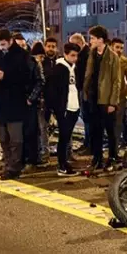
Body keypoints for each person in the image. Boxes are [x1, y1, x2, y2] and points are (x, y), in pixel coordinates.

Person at [0, 30, 31, 180]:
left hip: (15, 103)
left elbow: (26, 78)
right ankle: (8, 164)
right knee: (3, 137)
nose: (1, 47)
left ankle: (14, 168)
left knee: (15, 139)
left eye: (3, 44)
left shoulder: (22, 56)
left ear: (10, 41)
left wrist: (5, 77)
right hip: (0, 102)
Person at [83, 25, 122, 170]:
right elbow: (88, 75)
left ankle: (112, 157)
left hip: (106, 100)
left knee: (110, 131)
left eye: (93, 38)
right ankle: (97, 158)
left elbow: (116, 81)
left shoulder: (112, 57)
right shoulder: (91, 54)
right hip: (93, 99)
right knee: (95, 130)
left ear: (101, 39)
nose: (90, 41)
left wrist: (113, 102)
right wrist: (86, 93)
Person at [46, 42, 81, 176]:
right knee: (64, 138)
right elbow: (53, 91)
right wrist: (57, 109)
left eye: (76, 55)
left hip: (74, 107)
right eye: (72, 55)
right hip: (65, 108)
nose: (75, 58)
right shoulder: (59, 69)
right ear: (65, 54)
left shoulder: (73, 68)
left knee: (66, 137)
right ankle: (61, 165)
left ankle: (65, 163)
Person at [21, 40, 45, 171]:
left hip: (29, 102)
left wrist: (31, 98)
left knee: (31, 132)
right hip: (16, 103)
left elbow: (40, 81)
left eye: (22, 45)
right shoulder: (10, 61)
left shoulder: (33, 62)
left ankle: (31, 160)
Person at [69, 33, 92, 155]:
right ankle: (87, 143)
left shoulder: (85, 55)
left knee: (88, 118)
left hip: (85, 90)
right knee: (86, 118)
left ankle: (89, 144)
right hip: (82, 89)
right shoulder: (83, 54)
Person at [110, 38, 127, 148]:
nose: (119, 50)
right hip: (107, 96)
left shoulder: (125, 61)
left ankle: (114, 148)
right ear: (111, 47)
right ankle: (122, 142)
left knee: (117, 123)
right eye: (117, 47)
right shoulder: (106, 60)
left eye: (121, 48)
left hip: (120, 96)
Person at [30, 41, 51, 165]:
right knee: (38, 128)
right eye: (39, 56)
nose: (41, 59)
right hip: (37, 101)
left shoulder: (44, 66)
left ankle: (45, 153)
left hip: (41, 101)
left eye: (42, 56)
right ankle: (40, 153)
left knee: (43, 128)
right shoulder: (34, 65)